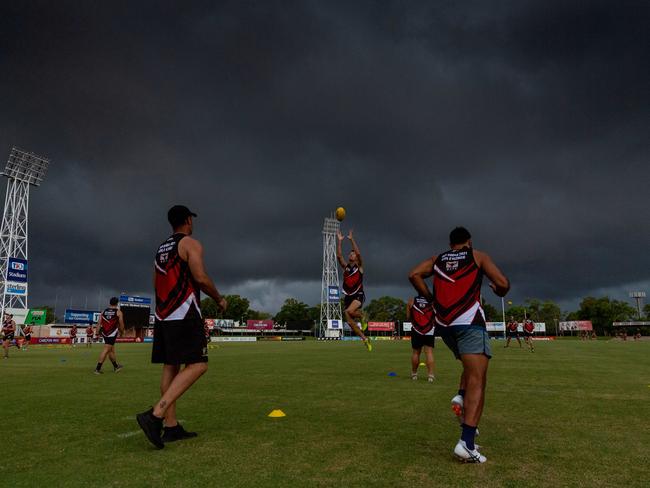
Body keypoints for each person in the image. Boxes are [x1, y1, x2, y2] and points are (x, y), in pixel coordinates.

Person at [409, 226, 509, 463]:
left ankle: (461, 396)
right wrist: (499, 289)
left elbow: (413, 274)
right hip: (470, 322)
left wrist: (431, 299)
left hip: (445, 326)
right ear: (469, 241)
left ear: (451, 243)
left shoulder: (438, 259)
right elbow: (503, 283)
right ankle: (467, 443)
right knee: (479, 380)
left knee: (470, 367)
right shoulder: (478, 256)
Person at [136, 205, 228, 449]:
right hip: (185, 314)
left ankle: (172, 426)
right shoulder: (190, 244)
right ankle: (155, 415)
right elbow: (200, 277)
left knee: (171, 368)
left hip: (164, 316)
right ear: (188, 220)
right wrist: (219, 298)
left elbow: (156, 283)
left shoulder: (160, 250)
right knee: (198, 365)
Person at [336, 229, 371, 351]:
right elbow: (339, 256)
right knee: (350, 322)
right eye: (350, 254)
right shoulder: (346, 268)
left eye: (353, 254)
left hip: (358, 294)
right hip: (348, 296)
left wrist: (351, 240)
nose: (351, 254)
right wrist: (339, 241)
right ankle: (365, 339)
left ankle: (362, 315)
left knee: (350, 311)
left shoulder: (359, 267)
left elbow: (359, 254)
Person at [407, 296, 435, 382]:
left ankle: (414, 374)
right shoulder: (433, 302)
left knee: (416, 353)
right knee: (429, 353)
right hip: (429, 329)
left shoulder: (411, 300)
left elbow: (408, 317)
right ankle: (430, 376)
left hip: (416, 329)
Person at [94, 298, 125, 374]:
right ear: (117, 303)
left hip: (104, 333)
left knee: (111, 350)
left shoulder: (103, 311)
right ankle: (97, 369)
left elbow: (98, 323)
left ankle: (116, 366)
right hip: (111, 333)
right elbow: (121, 324)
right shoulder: (118, 312)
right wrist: (122, 333)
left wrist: (97, 333)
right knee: (106, 349)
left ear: (110, 303)